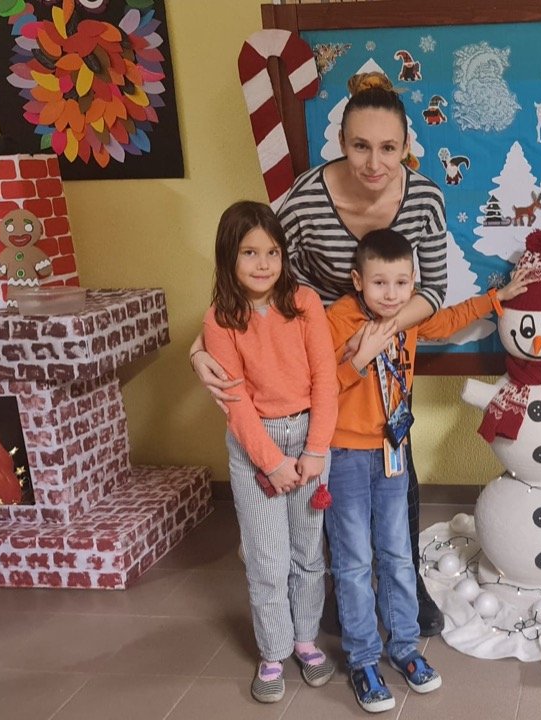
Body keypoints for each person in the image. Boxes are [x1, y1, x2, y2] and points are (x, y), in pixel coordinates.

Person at [190, 72, 448, 635]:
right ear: (341, 143)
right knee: (331, 475)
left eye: (389, 148)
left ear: (406, 145)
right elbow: (259, 271)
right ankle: (338, 584)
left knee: (396, 467)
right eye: (361, 146)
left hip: (386, 358)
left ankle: (407, 585)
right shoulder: (307, 198)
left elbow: (434, 289)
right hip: (317, 359)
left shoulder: (426, 198)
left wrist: (378, 330)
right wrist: (200, 343)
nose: (375, 163)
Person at [324, 229, 526, 713]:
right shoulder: (338, 319)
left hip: (392, 452)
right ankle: (363, 659)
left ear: (413, 282)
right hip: (346, 456)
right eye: (379, 283)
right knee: (353, 562)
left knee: (398, 554)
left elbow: (448, 319)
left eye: (401, 283)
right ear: (358, 281)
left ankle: (404, 648)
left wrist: (495, 300)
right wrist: (360, 358)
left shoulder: (407, 316)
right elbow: (319, 386)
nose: (391, 294)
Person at [201, 201, 339, 703]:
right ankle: (274, 651)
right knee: (267, 559)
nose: (263, 263)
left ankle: (305, 639)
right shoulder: (220, 320)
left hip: (309, 440)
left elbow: (325, 378)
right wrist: (273, 463)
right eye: (249, 252)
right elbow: (234, 400)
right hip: (255, 448)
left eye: (272, 252)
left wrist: (316, 449)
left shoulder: (304, 303)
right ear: (229, 257)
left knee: (308, 553)